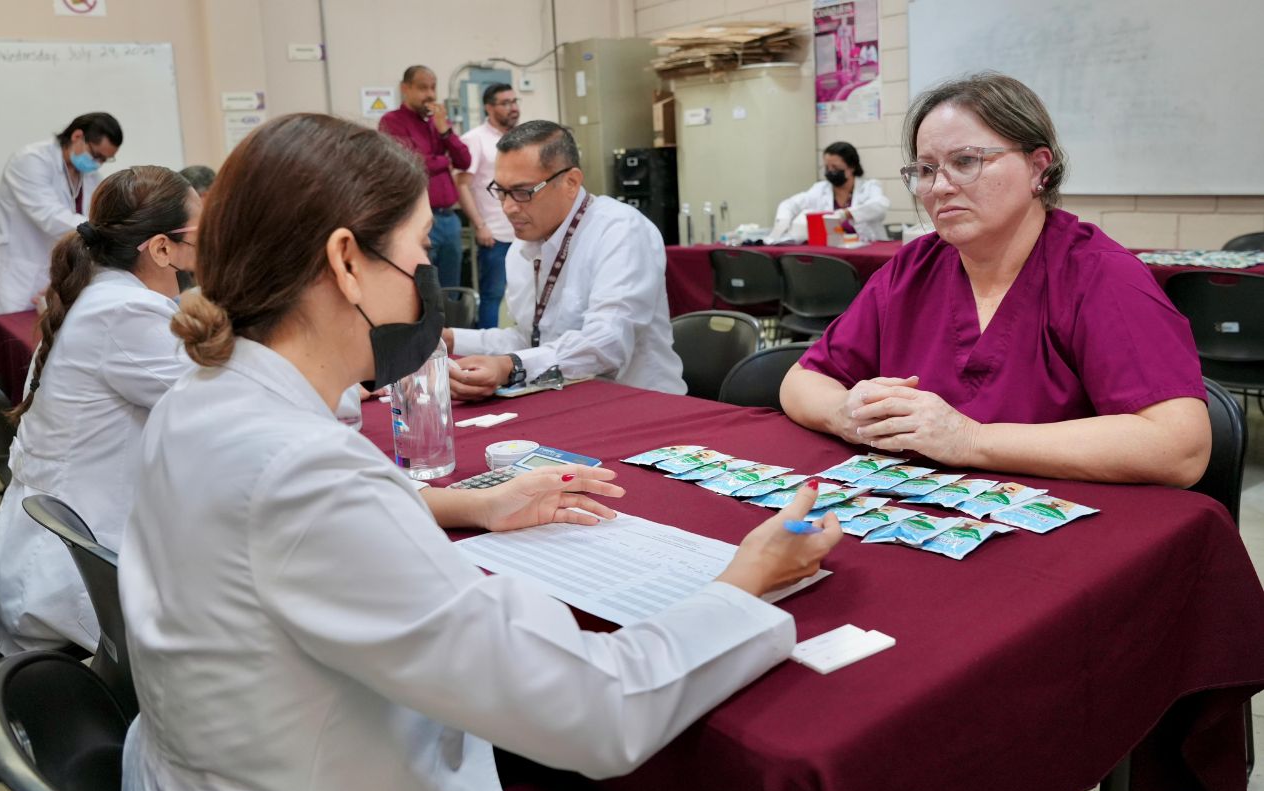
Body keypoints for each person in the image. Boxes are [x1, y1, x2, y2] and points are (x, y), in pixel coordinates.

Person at [117, 112, 840, 791]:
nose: (427, 276)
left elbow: (285, 528)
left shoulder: (202, 399)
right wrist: (742, 583)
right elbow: (599, 710)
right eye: (420, 251)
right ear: (345, 262)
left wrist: (475, 503)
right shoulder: (305, 469)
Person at [780, 73, 1210, 488]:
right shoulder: (910, 270)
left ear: (1038, 168)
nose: (941, 187)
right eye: (926, 170)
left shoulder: (1100, 276)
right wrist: (843, 412)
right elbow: (800, 380)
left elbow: (1179, 447)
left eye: (966, 161)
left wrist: (970, 439)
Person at [0, 166, 198, 655]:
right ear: (161, 249)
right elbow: (229, 401)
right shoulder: (124, 312)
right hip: (66, 590)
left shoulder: (103, 296)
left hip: (50, 559)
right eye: (200, 235)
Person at [445, 121, 687, 399]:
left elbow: (608, 343)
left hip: (642, 404)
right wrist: (452, 339)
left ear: (571, 183)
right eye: (501, 191)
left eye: (523, 192)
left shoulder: (621, 231)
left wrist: (511, 365)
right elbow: (530, 339)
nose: (509, 208)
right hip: (563, 397)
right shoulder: (522, 246)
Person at [0, 112, 123, 322]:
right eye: (96, 155)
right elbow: (50, 217)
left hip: (54, 275)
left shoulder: (91, 176)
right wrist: (104, 230)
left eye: (105, 159)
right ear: (77, 136)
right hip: (18, 272)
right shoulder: (30, 160)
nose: (98, 164)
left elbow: (97, 216)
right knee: (14, 335)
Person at [379, 65, 471, 288]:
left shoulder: (437, 122)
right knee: (423, 289)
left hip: (449, 219)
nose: (430, 95)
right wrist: (444, 160)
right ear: (405, 89)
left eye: (433, 88)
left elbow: (465, 161)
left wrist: (445, 132)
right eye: (422, 88)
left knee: (451, 289)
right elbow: (411, 163)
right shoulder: (392, 121)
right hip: (417, 219)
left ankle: (450, 324)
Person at [456, 82, 521, 328]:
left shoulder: (520, 138)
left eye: (514, 102)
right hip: (495, 234)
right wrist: (480, 225)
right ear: (489, 107)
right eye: (505, 103)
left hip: (525, 232)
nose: (513, 108)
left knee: (528, 295)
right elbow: (462, 185)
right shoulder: (475, 140)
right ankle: (489, 351)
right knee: (493, 295)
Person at [767, 141, 890, 244]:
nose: (830, 172)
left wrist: (846, 214)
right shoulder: (820, 189)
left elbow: (880, 205)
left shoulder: (869, 187)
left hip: (868, 247)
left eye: (835, 168)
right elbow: (789, 204)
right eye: (827, 167)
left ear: (852, 167)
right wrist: (782, 225)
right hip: (832, 252)